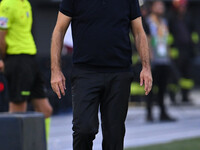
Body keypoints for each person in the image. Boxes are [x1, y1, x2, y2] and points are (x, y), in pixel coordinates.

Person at [51, 0, 152, 149]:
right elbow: (59, 30)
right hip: (85, 73)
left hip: (119, 73)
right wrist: (55, 71)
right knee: (83, 129)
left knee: (114, 135)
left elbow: (138, 32)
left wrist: (146, 67)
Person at [0, 0, 52, 138]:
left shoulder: (26, 3)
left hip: (30, 59)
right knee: (17, 113)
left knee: (45, 110)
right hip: (16, 59)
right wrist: (2, 58)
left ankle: (41, 147)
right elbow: (1, 35)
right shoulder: (7, 4)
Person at [146, 0, 176, 122]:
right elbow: (147, 39)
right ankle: (149, 113)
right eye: (158, 6)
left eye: (162, 6)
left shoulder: (164, 22)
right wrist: (148, 57)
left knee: (163, 87)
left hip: (164, 58)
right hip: (154, 59)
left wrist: (169, 55)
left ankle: (163, 112)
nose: (161, 8)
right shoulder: (148, 22)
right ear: (152, 7)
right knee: (151, 88)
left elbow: (166, 39)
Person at [169, 0, 194, 103]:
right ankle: (173, 96)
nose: (183, 8)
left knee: (187, 75)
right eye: (181, 6)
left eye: (184, 6)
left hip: (187, 50)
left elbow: (193, 34)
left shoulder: (188, 17)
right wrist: (172, 49)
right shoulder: (171, 18)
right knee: (175, 75)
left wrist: (193, 48)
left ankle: (185, 96)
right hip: (176, 51)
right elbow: (168, 35)